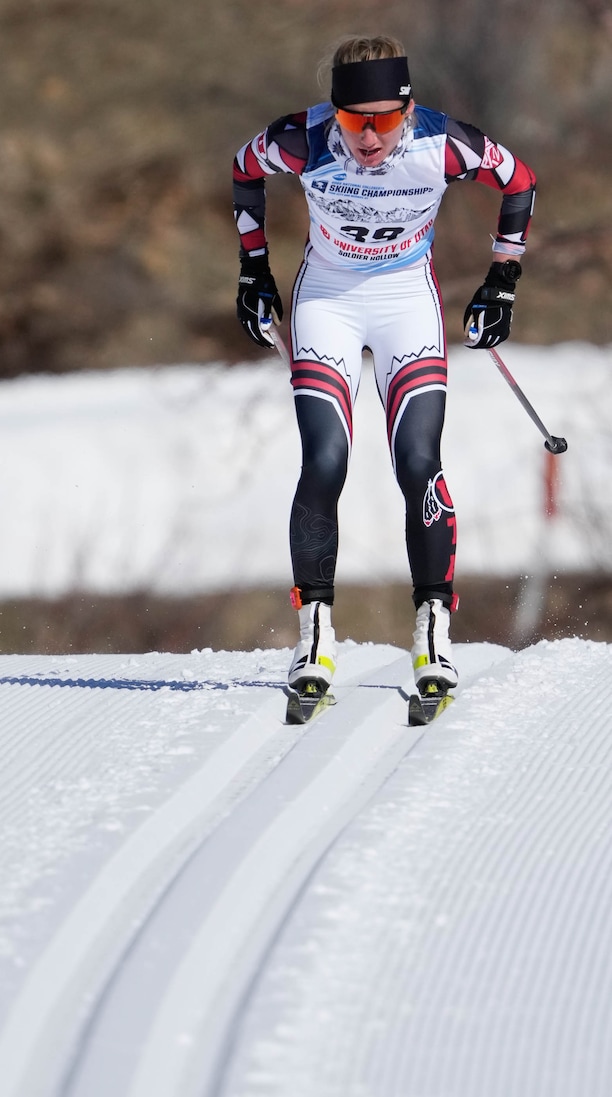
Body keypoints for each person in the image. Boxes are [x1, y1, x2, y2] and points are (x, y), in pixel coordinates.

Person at [232, 34, 536, 698]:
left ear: (409, 109)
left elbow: (519, 181)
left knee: (419, 461)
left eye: (385, 120)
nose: (369, 138)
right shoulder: (302, 139)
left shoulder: (444, 144)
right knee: (325, 460)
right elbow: (243, 168)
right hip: (329, 303)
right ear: (333, 111)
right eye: (353, 120)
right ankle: (314, 628)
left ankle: (432, 626)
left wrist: (502, 279)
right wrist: (253, 266)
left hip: (405, 304)